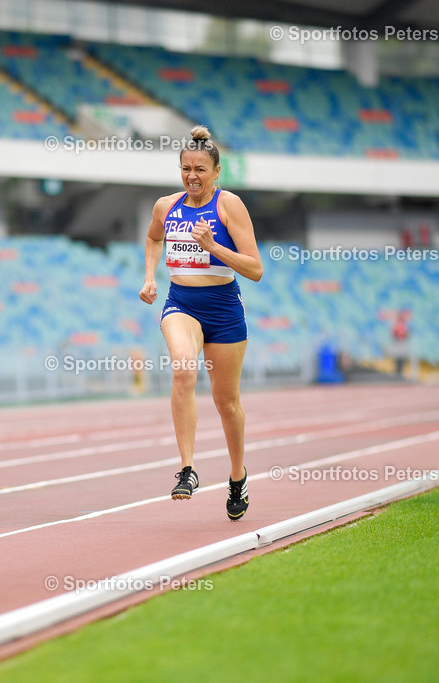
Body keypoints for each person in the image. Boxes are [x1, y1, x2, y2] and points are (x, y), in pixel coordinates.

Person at [139, 125, 263, 520]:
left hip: (224, 310)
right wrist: (149, 277)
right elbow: (153, 239)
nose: (192, 176)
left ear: (217, 171)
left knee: (227, 403)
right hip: (181, 304)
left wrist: (213, 246)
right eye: (186, 169)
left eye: (200, 170)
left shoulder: (230, 206)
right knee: (183, 370)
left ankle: (237, 475)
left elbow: (255, 269)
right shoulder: (166, 206)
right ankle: (188, 469)